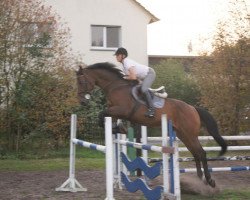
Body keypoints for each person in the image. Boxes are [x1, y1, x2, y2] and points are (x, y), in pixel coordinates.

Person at [114, 47, 156, 118]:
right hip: (142, 78)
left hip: (150, 74)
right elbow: (133, 78)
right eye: (116, 55)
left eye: (118, 55)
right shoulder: (123, 66)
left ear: (123, 56)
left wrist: (124, 78)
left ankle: (152, 110)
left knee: (143, 89)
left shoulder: (127, 62)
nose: (116, 57)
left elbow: (133, 77)